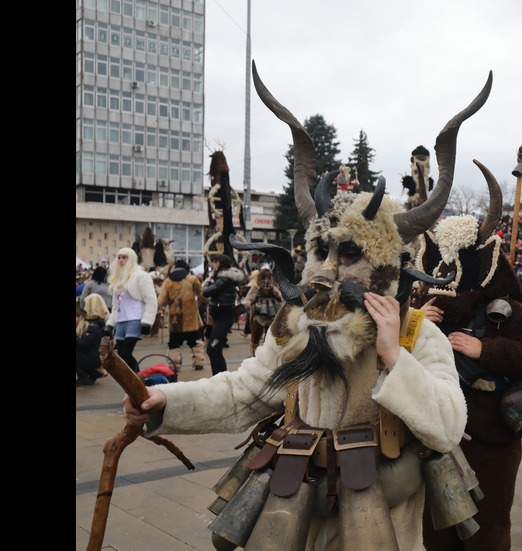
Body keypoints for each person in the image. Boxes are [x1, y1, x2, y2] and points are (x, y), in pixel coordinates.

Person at [122, 65, 488, 550]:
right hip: (301, 515)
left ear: (382, 263)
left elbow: (449, 424)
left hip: (384, 529)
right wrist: (166, 403)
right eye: (320, 252)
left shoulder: (415, 333)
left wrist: (395, 358)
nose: (324, 272)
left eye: (348, 255)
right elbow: (243, 393)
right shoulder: (299, 325)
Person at [415, 206, 522, 550]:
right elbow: (393, 364)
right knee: (437, 531)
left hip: (492, 441)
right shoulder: (423, 307)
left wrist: (484, 349)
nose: (445, 272)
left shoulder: (505, 311)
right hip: (437, 440)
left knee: (488, 530)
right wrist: (412, 325)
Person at [106, 247, 158, 372]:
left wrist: (147, 322)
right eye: (119, 257)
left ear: (131, 259)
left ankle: (138, 381)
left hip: (134, 319)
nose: (120, 260)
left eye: (124, 257)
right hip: (121, 320)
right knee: (121, 356)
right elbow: (115, 305)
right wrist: (110, 324)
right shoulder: (118, 279)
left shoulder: (141, 276)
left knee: (126, 354)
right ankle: (132, 383)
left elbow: (151, 300)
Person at [156, 259, 206, 372]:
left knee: (174, 344)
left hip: (175, 319)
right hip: (191, 318)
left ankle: (174, 365)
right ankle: (198, 363)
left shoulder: (168, 281)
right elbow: (202, 294)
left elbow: (162, 300)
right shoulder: (192, 279)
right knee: (196, 342)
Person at [201, 254, 246, 376]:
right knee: (216, 350)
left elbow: (205, 291)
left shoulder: (223, 279)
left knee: (212, 349)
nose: (213, 264)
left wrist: (209, 279)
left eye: (215, 261)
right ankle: (221, 377)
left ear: (222, 264)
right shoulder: (221, 277)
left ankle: (220, 377)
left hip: (223, 319)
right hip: (220, 318)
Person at [242, 267, 284, 354]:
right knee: (257, 332)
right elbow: (248, 298)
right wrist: (249, 303)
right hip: (259, 312)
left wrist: (277, 292)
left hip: (272, 312)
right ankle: (256, 350)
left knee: (270, 333)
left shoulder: (274, 286)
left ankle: (267, 350)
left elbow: (281, 297)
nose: (266, 279)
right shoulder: (257, 285)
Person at [76, 298, 108, 386]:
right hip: (86, 357)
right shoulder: (79, 330)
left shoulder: (91, 329)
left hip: (94, 359)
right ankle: (92, 374)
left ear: (80, 318)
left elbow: (83, 344)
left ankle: (84, 377)